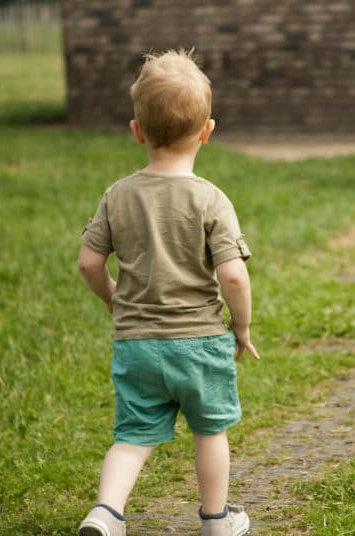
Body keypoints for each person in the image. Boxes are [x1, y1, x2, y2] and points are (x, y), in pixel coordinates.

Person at [76, 49, 258, 536]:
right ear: (207, 131)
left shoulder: (118, 195)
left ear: (137, 131)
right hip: (200, 343)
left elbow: (89, 263)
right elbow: (234, 277)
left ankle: (106, 513)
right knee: (210, 431)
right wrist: (240, 328)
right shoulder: (211, 199)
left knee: (133, 437)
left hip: (136, 344)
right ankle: (216, 520)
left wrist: (112, 296)